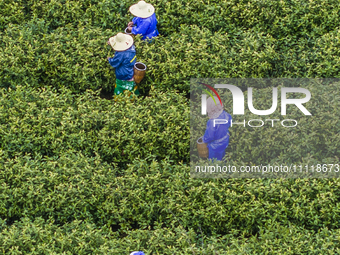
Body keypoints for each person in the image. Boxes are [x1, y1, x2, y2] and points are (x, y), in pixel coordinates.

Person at [202, 96, 232, 161]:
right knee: (223, 158)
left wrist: (203, 139)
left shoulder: (212, 121)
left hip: (215, 146)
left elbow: (209, 136)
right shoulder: (227, 115)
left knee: (214, 163)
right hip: (225, 140)